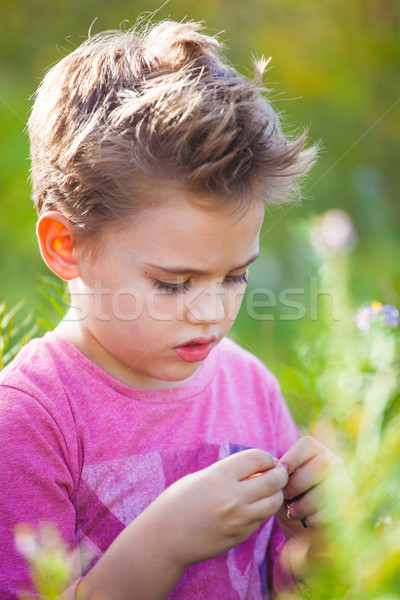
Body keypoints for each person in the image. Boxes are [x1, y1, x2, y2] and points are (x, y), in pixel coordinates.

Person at [0, 18, 342, 600]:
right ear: (67, 246)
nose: (211, 313)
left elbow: (287, 583)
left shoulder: (247, 385)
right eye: (173, 283)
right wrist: (162, 544)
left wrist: (318, 535)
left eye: (235, 275)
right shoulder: (31, 422)